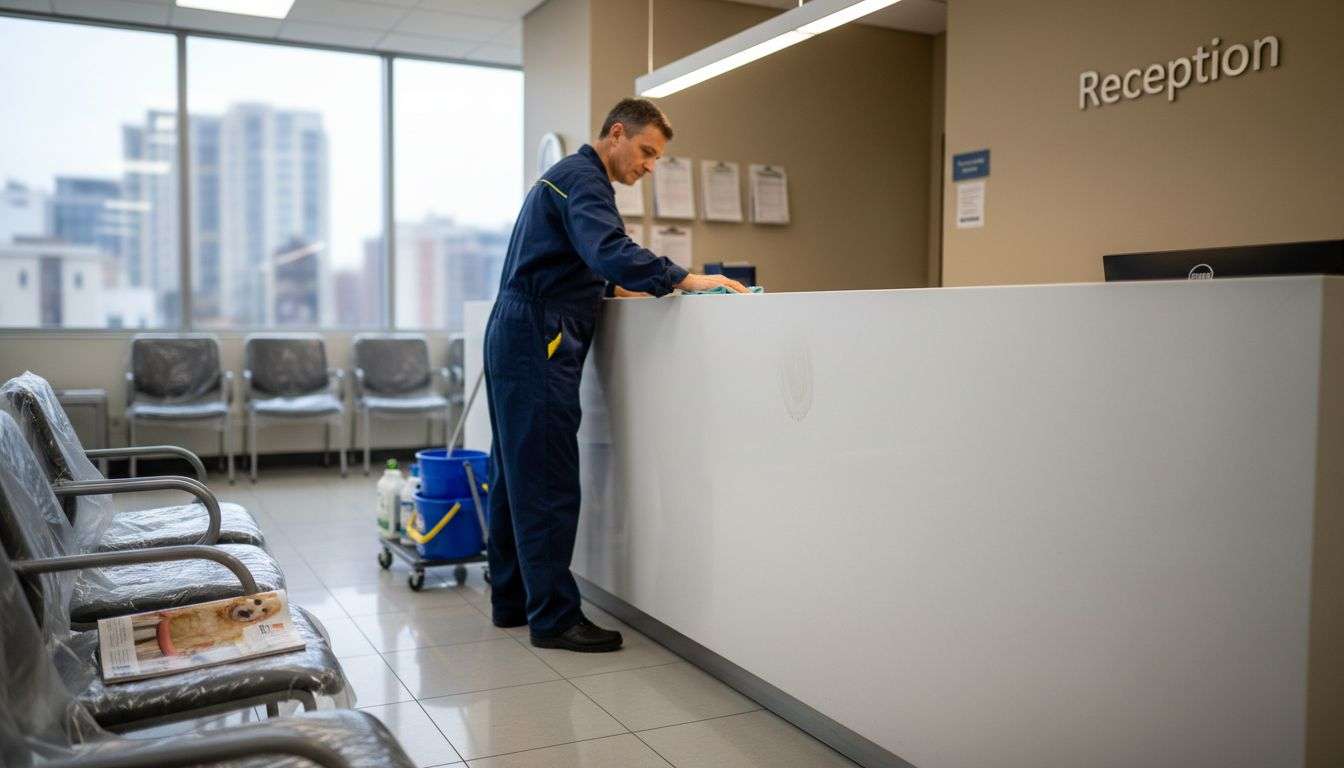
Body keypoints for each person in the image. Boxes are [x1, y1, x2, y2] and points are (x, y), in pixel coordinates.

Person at [484, 98, 747, 652]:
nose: (651, 166)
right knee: (549, 480)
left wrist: (621, 287)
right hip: (538, 334)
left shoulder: (566, 178)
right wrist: (687, 278)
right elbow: (609, 249)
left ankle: (511, 600)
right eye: (647, 151)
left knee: (516, 474)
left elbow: (577, 260)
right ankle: (554, 618)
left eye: (658, 158)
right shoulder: (585, 178)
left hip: (519, 327)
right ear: (617, 134)